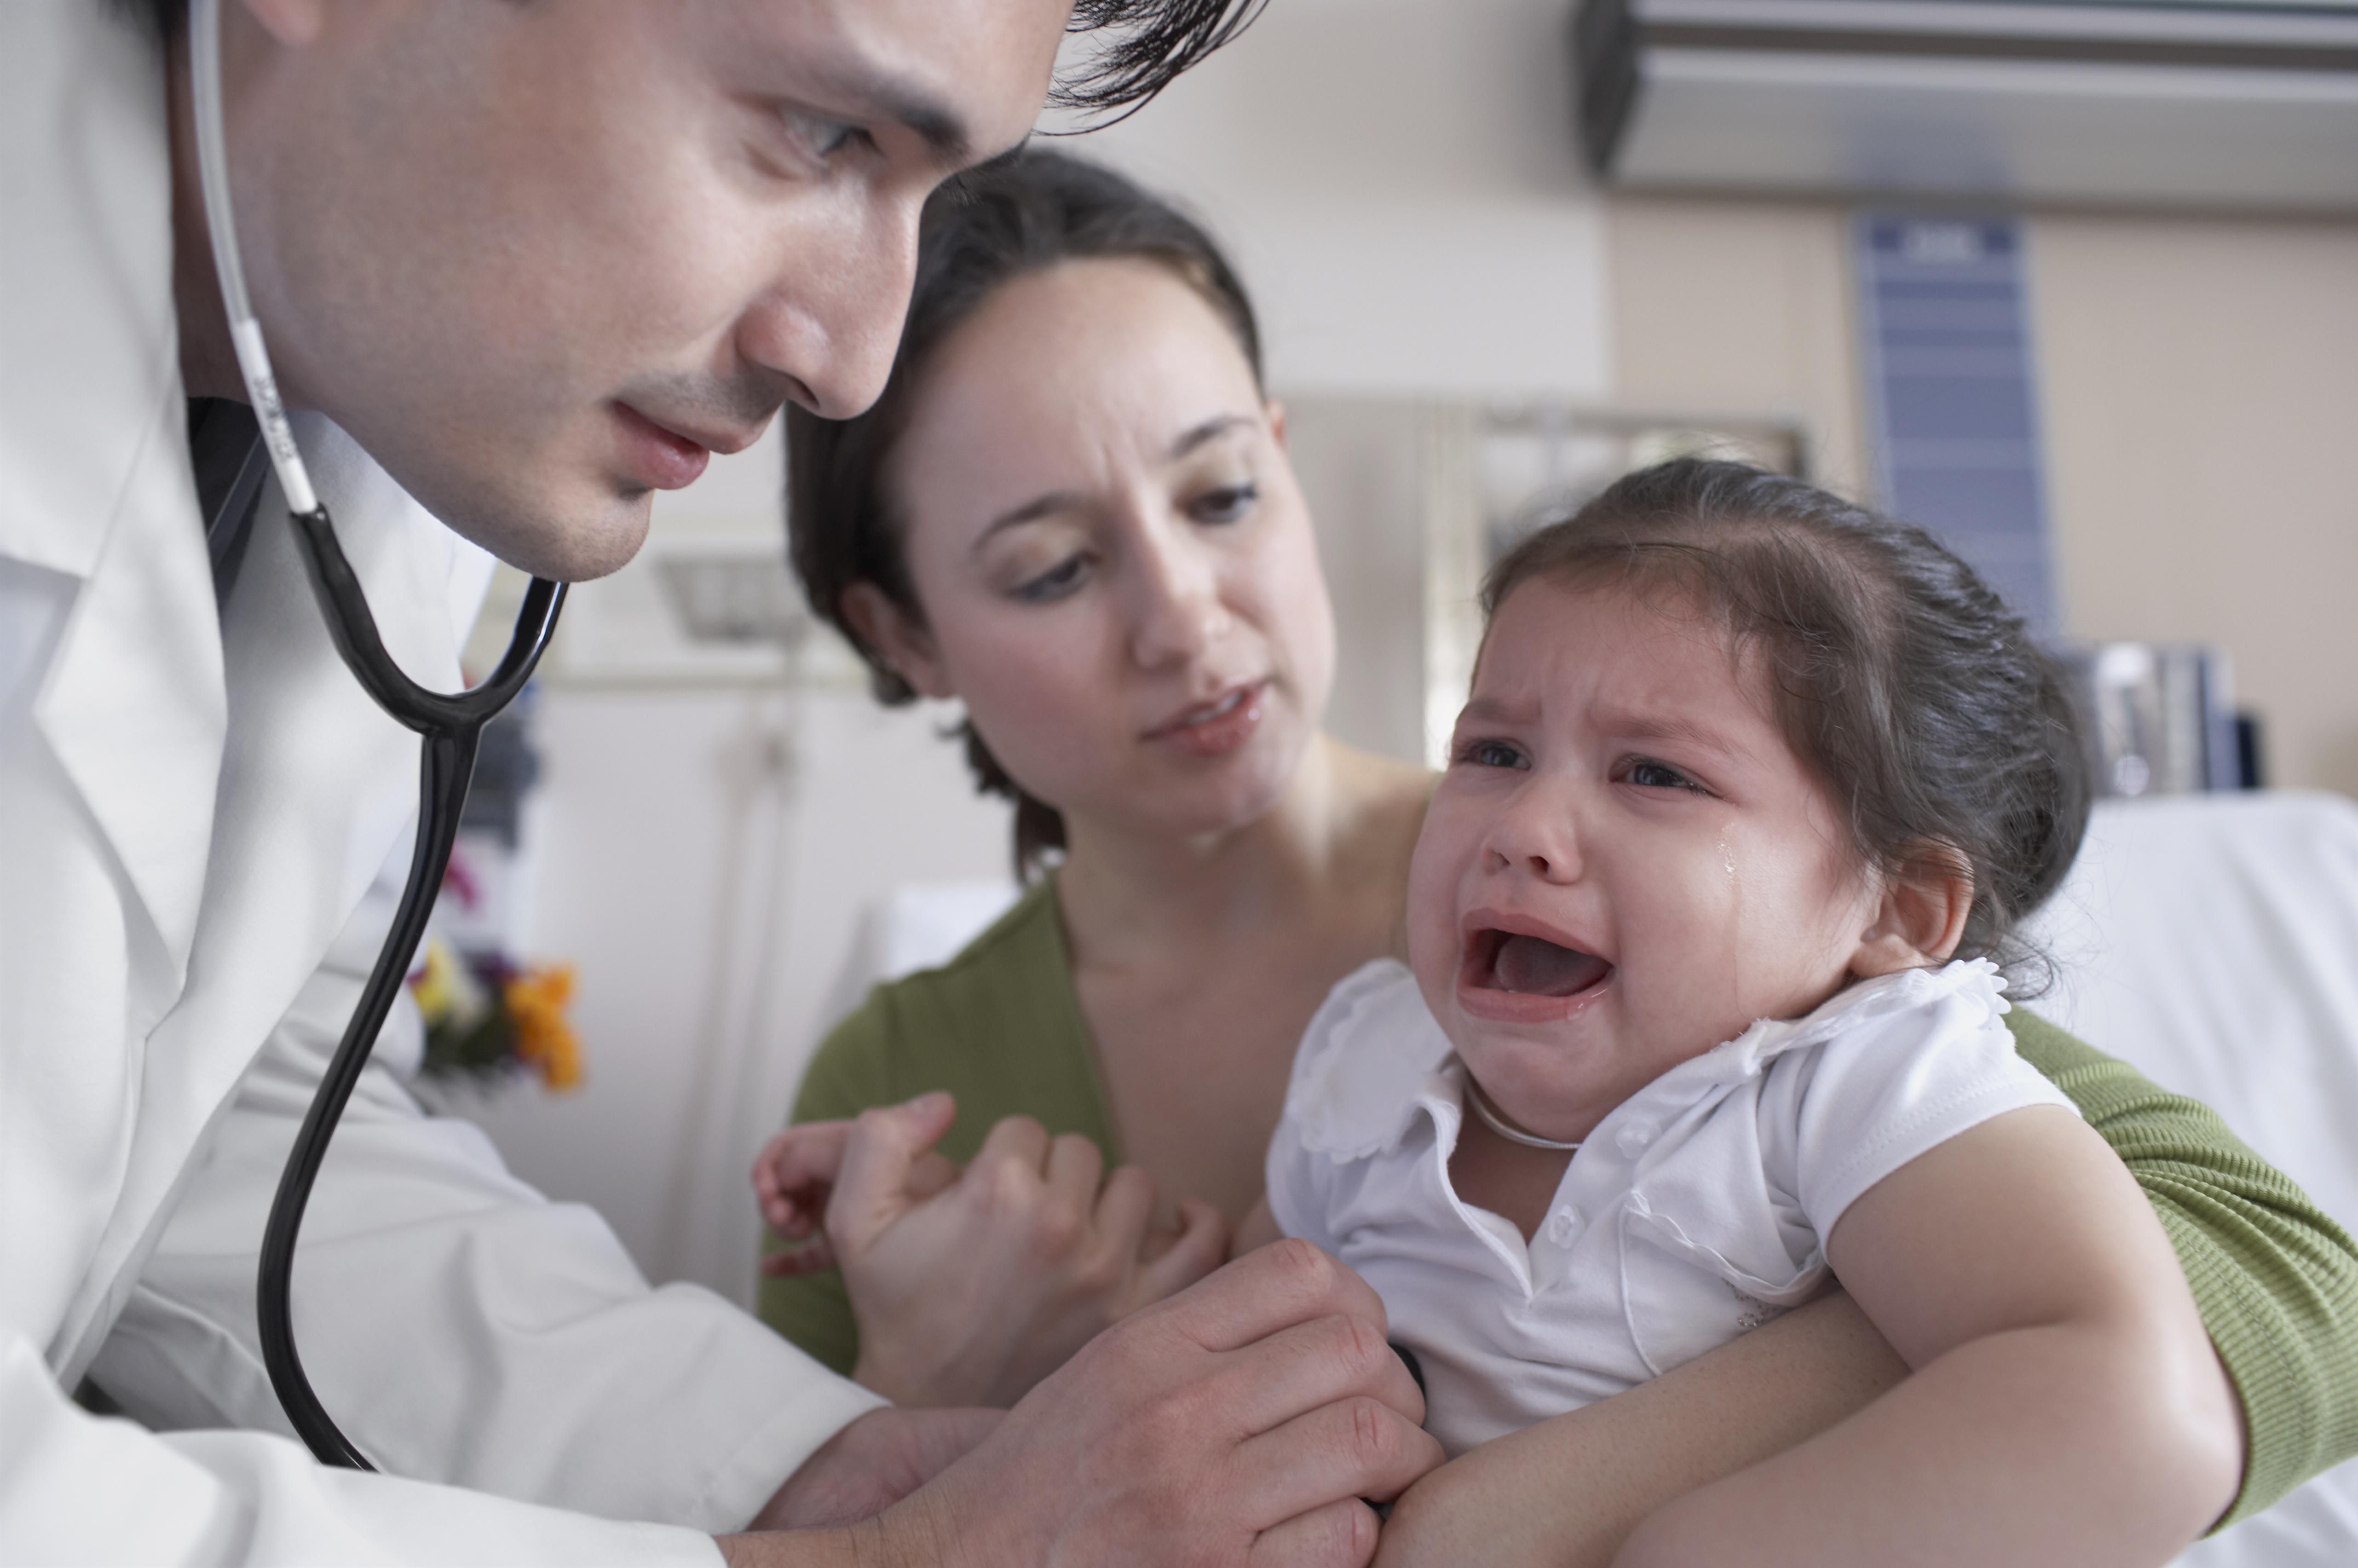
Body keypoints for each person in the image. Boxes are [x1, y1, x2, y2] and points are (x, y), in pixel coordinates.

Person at [0, 2, 1450, 1564]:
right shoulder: (913, 1061)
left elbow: (237, 1129)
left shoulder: (368, 456)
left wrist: (822, 1467)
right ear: (904, 638)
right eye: (824, 135)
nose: (847, 362)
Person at [756, 149, 2358, 1557]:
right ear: (903, 634)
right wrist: (932, 1385)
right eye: (1049, 568)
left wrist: (1529, 1508)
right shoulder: (910, 1087)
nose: (1186, 613)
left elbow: (2280, 1292)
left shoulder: (1719, 917)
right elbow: (834, 1522)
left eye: (1224, 491)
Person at [1260, 458, 2238, 1564]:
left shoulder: (1856, 1080)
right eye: (1493, 752)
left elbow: (2127, 1399)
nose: (1524, 823)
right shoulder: (1370, 1057)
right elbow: (1246, 1363)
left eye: (1655, 776)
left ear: (1898, 911)